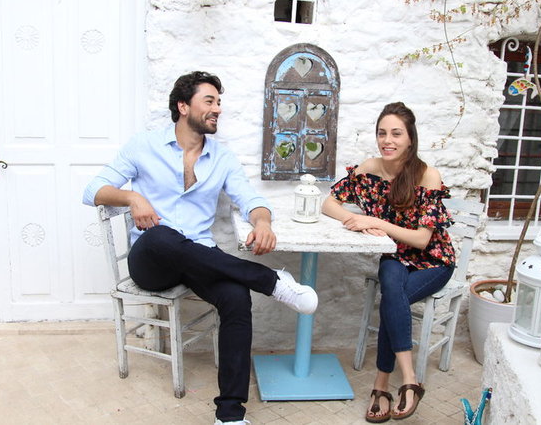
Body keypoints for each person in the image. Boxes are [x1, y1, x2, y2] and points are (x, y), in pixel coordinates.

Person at [82, 70, 318, 425]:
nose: (217, 109)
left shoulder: (222, 158)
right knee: (161, 235)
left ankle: (230, 415)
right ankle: (270, 280)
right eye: (209, 101)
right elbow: (92, 190)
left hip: (200, 258)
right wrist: (132, 197)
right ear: (183, 106)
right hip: (151, 260)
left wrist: (263, 222)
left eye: (219, 102)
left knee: (236, 297)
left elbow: (250, 200)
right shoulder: (143, 146)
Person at [321, 102, 455, 423]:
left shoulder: (427, 175)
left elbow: (422, 240)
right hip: (394, 257)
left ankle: (382, 385)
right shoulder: (370, 168)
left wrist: (376, 222)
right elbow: (329, 203)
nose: (387, 140)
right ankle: (410, 381)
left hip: (433, 261)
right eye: (382, 133)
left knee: (393, 296)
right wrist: (354, 220)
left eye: (396, 134)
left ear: (410, 139)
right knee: (393, 288)